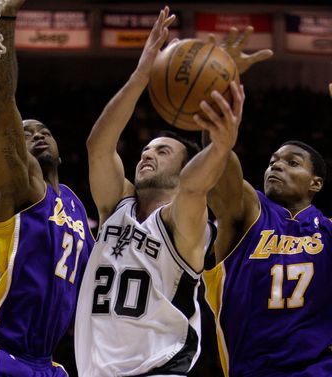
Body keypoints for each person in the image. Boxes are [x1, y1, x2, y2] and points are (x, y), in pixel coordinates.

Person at [74, 6, 244, 377]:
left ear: (183, 167)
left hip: (160, 371)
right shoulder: (115, 205)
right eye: (145, 150)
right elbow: (98, 147)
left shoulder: (185, 223)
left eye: (162, 151)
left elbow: (195, 187)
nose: (148, 154)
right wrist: (140, 75)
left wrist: (219, 146)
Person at [0, 0, 94, 376]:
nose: (36, 136)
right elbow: (2, 107)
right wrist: (6, 19)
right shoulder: (20, 188)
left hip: (48, 363)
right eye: (27, 132)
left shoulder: (78, 207)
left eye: (44, 131)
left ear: (62, 153)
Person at [195, 52, 332, 376]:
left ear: (316, 183)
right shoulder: (248, 211)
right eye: (273, 161)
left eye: (292, 162)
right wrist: (222, 86)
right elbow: (216, 164)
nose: (277, 165)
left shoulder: (327, 230)